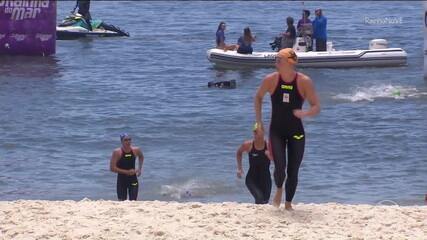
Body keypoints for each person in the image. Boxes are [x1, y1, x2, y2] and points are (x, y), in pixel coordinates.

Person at [254, 48, 320, 210]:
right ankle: (278, 189)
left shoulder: (304, 81)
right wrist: (258, 123)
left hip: (296, 132)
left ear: (289, 63)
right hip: (276, 130)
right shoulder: (270, 80)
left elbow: (316, 106)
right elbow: (258, 97)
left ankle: (288, 204)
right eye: (275, 59)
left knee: (293, 170)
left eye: (278, 60)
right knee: (279, 167)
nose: (275, 62)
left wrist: (305, 113)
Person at [236, 123, 272, 204]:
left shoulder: (269, 145)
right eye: (255, 132)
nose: (257, 134)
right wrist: (239, 168)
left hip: (266, 178)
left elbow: (278, 157)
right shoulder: (248, 145)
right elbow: (239, 152)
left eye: (259, 132)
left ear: (263, 132)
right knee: (259, 199)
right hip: (252, 179)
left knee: (265, 201)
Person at [110, 133, 144, 201]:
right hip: (122, 180)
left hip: (133, 179)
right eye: (125, 140)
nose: (128, 142)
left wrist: (139, 168)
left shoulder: (136, 150)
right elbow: (112, 168)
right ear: (121, 141)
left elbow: (141, 157)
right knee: (122, 201)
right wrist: (127, 172)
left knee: (133, 201)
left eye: (129, 139)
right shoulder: (117, 152)